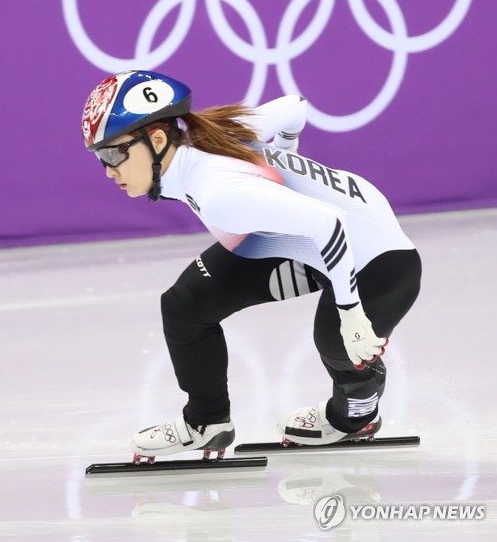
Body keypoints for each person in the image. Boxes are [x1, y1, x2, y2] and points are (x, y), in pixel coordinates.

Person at [82, 70, 422, 460]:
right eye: (100, 158)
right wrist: (288, 150)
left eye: (113, 153)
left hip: (378, 261)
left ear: (157, 139)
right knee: (185, 304)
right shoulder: (207, 136)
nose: (109, 170)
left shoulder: (220, 193)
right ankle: (206, 422)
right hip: (308, 244)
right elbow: (294, 106)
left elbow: (331, 223)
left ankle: (355, 416)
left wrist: (350, 311)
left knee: (339, 345)